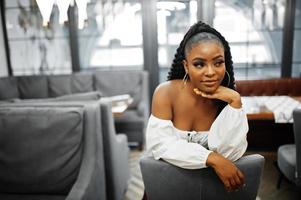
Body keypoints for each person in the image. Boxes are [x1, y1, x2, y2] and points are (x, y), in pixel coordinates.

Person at [144, 21, 248, 193]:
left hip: (213, 190)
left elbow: (231, 155)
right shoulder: (165, 93)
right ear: (186, 66)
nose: (210, 72)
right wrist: (212, 158)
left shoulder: (228, 100)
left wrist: (235, 102)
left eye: (218, 63)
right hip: (169, 187)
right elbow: (160, 145)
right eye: (199, 64)